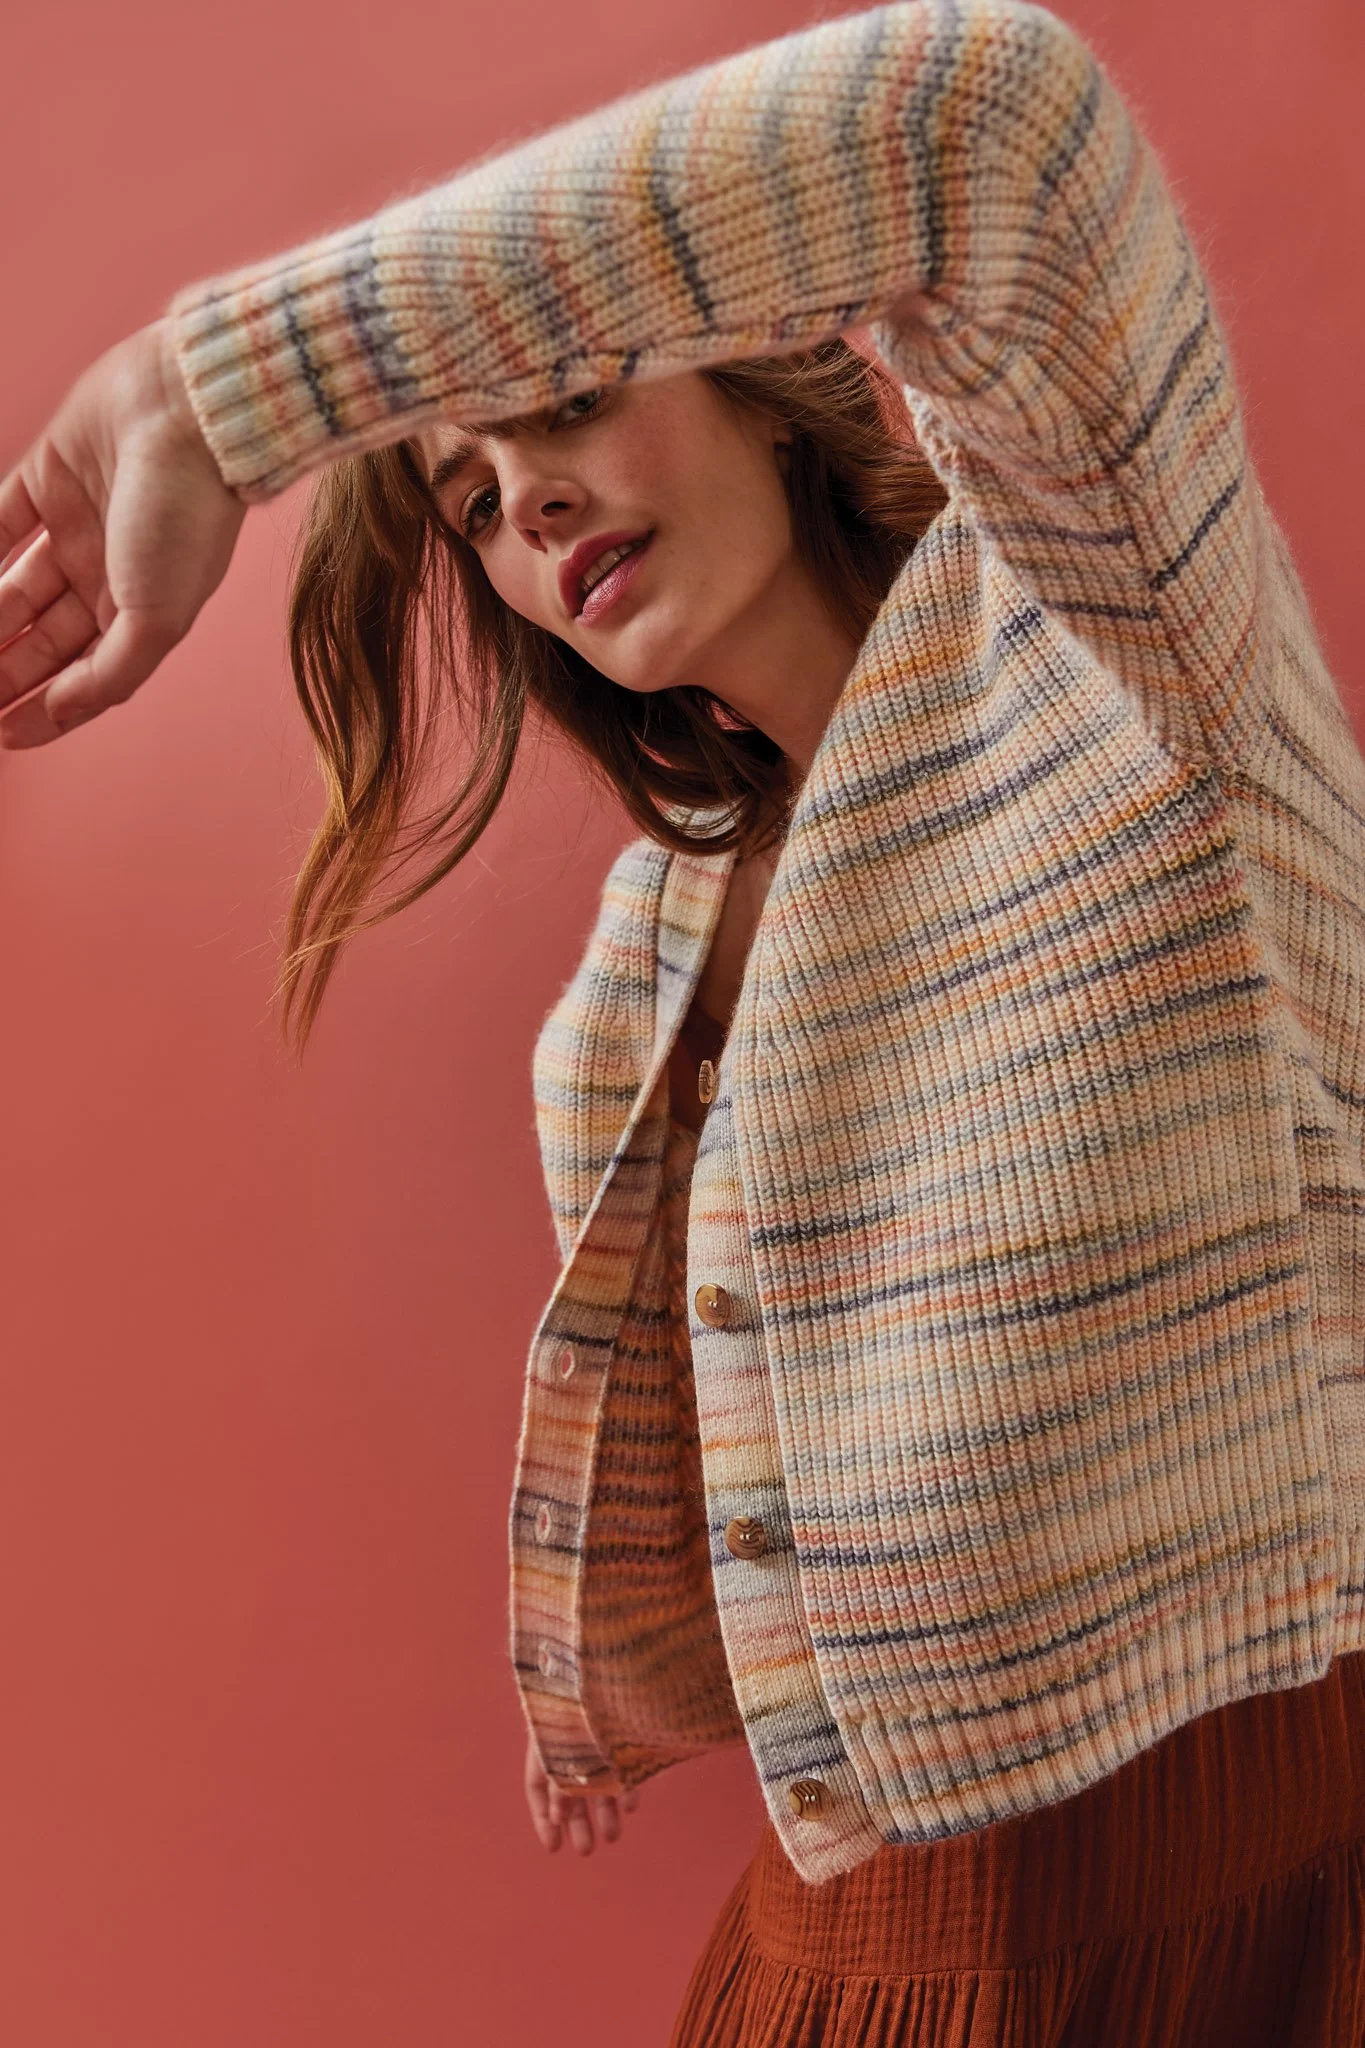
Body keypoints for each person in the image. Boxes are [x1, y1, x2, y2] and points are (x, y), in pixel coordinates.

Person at [3, 0, 1364, 2039]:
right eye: (471, 500)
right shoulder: (629, 983)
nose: (529, 507)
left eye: (562, 400)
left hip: (1251, 1882)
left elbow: (993, 115)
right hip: (863, 1953)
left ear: (767, 386)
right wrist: (607, 1680)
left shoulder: (1127, 650)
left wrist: (220, 389)